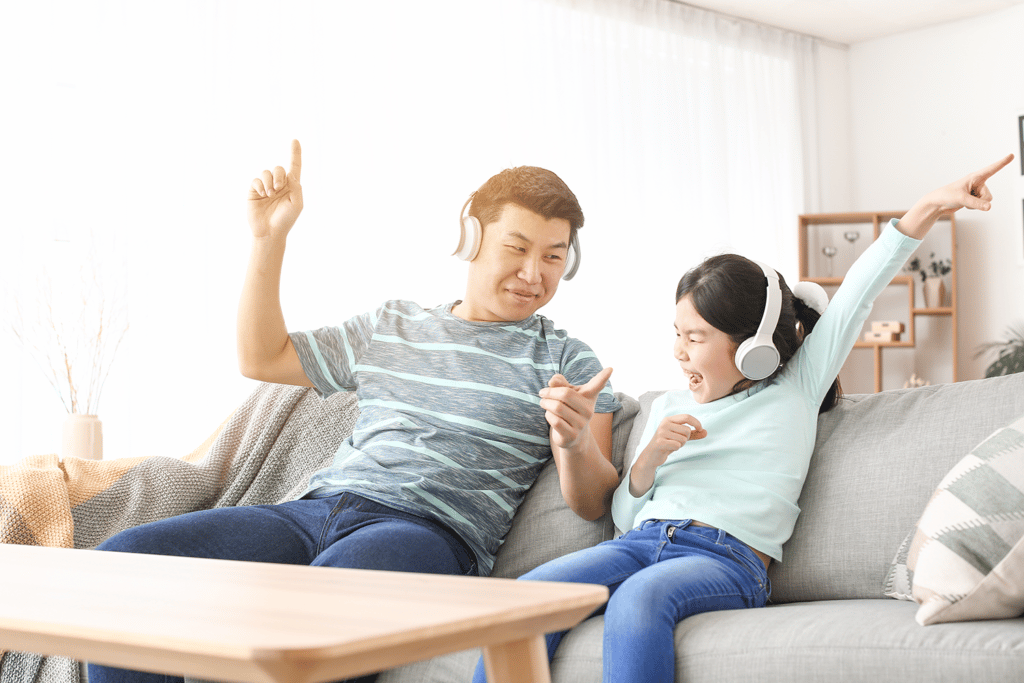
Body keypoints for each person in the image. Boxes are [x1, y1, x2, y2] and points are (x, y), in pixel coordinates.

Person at [88, 141, 621, 683]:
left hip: (428, 533)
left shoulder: (568, 359)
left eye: (553, 256)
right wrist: (268, 240)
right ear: (471, 239)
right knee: (125, 564)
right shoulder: (393, 326)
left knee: (316, 613)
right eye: (518, 248)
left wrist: (576, 442)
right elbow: (261, 356)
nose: (534, 273)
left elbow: (592, 499)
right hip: (313, 512)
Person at [471, 152, 1014, 683]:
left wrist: (930, 207)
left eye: (696, 337)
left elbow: (859, 293)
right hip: (639, 542)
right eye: (676, 334)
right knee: (526, 602)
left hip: (728, 560)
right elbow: (623, 515)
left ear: (752, 347)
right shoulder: (669, 406)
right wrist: (651, 457)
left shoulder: (794, 390)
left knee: (639, 600)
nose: (679, 352)